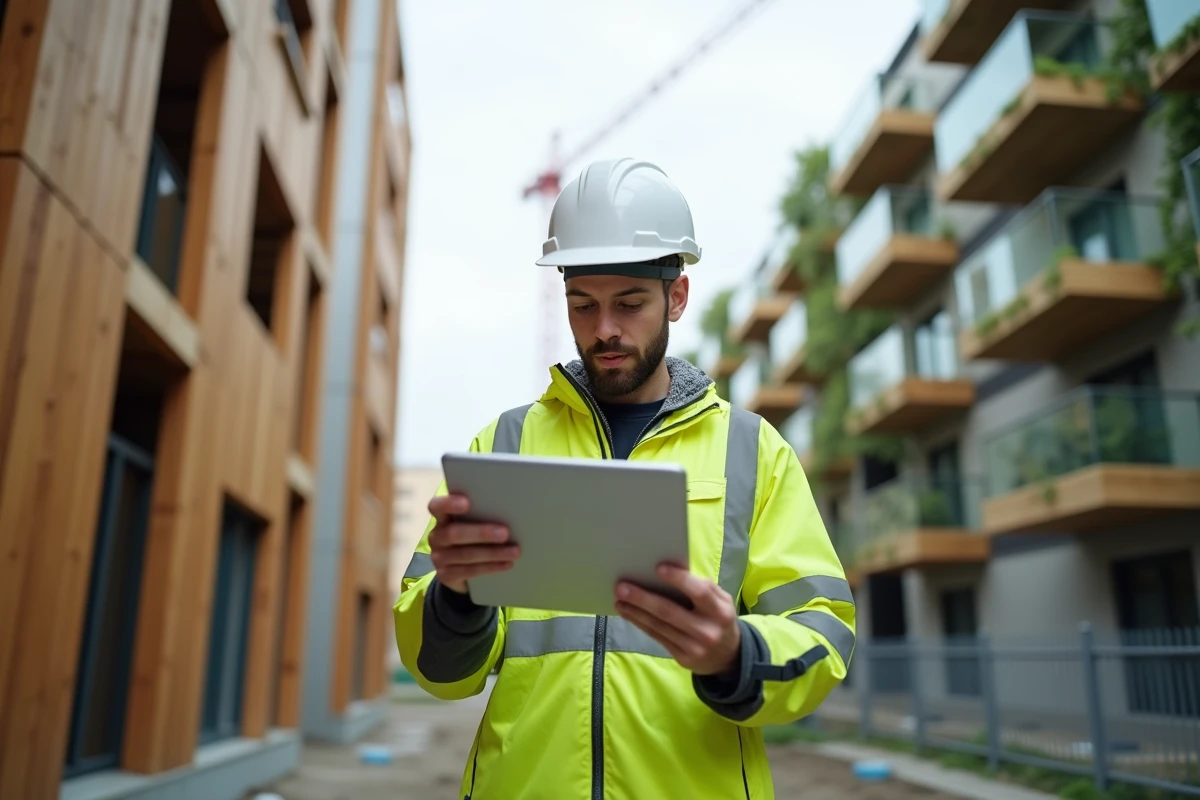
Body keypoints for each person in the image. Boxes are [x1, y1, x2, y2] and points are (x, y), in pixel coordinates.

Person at [393, 158, 855, 800]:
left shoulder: (751, 453)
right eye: (582, 305)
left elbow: (823, 633)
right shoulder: (505, 445)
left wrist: (736, 653)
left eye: (630, 304)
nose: (604, 329)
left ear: (677, 297)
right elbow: (439, 672)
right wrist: (456, 598)